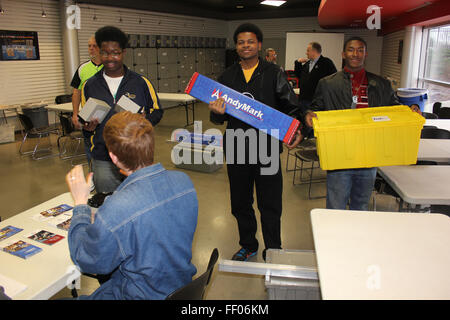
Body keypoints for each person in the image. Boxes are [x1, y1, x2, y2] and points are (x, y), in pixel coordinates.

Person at [66, 111, 198, 300]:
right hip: (179, 289)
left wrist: (80, 204)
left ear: (113, 157)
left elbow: (87, 260)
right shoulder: (184, 182)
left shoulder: (118, 208)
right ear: (151, 144)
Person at [209, 23, 304, 262]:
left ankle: (273, 248)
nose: (246, 46)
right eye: (241, 42)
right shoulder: (227, 77)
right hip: (238, 148)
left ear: (259, 45)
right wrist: (217, 111)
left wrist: (297, 129)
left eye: (250, 41)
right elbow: (216, 118)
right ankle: (248, 244)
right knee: (240, 202)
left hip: (267, 148)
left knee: (270, 203)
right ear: (236, 46)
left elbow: (291, 106)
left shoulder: (273, 73)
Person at [305, 36, 411, 210]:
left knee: (361, 206)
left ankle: (355, 237)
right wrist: (309, 114)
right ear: (343, 54)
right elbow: (316, 108)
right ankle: (335, 238)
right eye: (351, 50)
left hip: (368, 156)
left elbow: (396, 109)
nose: (356, 54)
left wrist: (410, 108)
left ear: (366, 54)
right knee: (335, 206)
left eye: (360, 50)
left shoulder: (381, 84)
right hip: (339, 155)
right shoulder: (327, 83)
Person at [81, 26, 163, 205]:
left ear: (124, 53)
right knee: (106, 205)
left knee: (139, 203)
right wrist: (88, 128)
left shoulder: (140, 82)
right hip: (103, 156)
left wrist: (142, 121)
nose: (110, 58)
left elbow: (157, 111)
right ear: (98, 52)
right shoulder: (89, 85)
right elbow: (85, 126)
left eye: (115, 53)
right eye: (105, 53)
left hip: (136, 157)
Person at [70, 36, 103, 164]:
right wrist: (74, 113)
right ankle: (93, 175)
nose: (91, 49)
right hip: (88, 116)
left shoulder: (112, 67)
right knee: (90, 148)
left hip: (109, 116)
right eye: (89, 46)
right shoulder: (82, 68)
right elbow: (76, 92)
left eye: (94, 46)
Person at [294, 42, 337, 109]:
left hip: (317, 102)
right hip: (303, 100)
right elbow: (299, 75)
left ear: (314, 51)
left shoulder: (326, 63)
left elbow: (334, 79)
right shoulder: (307, 64)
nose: (306, 53)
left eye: (308, 50)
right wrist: (298, 63)